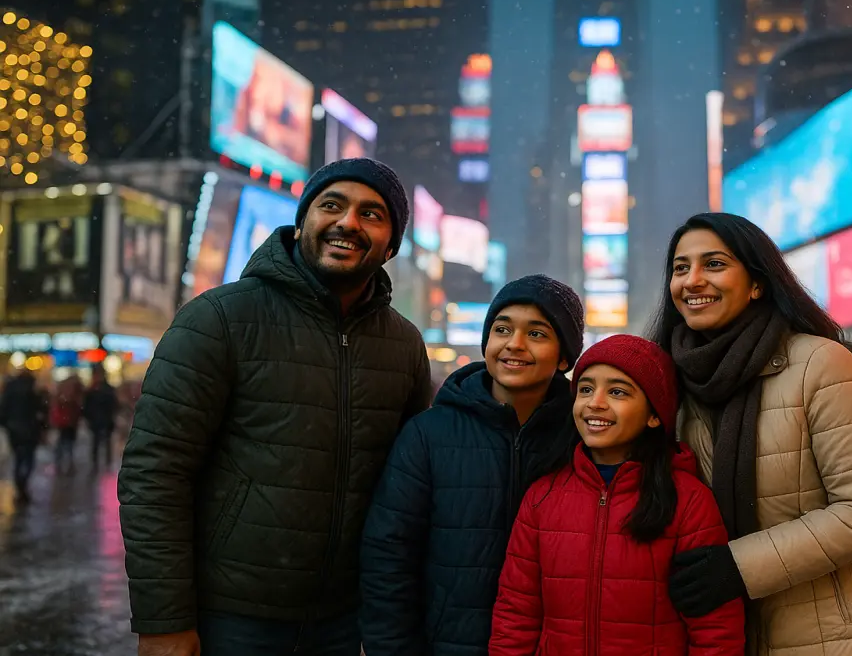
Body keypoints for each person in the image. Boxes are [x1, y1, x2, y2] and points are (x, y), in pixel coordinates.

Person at [118, 158, 432, 656]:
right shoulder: (219, 318)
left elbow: (411, 485)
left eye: (372, 214)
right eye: (332, 205)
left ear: (391, 246)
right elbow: (155, 474)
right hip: (233, 618)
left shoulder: (404, 344)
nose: (348, 222)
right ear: (302, 222)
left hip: (346, 621)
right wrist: (164, 621)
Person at [650, 213, 852, 656]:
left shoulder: (821, 364)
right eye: (681, 268)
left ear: (757, 283)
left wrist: (738, 567)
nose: (692, 280)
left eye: (714, 264)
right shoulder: (671, 381)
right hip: (724, 635)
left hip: (841, 637)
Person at [360, 275, 585, 656]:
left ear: (564, 357)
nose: (514, 344)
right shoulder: (429, 435)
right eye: (502, 329)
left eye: (536, 334)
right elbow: (388, 558)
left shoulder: (582, 439)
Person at [490, 335, 745, 656]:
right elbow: (515, 613)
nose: (595, 403)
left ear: (655, 415)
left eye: (617, 392)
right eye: (585, 389)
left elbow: (716, 631)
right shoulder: (542, 495)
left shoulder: (689, 501)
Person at [0, 368, 48, 506]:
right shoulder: (34, 390)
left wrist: (6, 424)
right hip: (30, 429)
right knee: (28, 458)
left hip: (14, 429)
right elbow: (41, 410)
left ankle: (20, 484)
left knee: (18, 458)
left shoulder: (10, 389)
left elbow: (4, 409)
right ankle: (23, 483)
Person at [83, 366, 120, 472]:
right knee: (96, 443)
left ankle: (107, 463)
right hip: (97, 420)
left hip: (105, 420)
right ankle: (96, 464)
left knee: (105, 443)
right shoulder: (92, 390)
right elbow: (86, 406)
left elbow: (114, 404)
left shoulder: (105, 389)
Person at [50, 374, 85, 475]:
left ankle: (61, 463)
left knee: (63, 442)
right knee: (68, 443)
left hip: (65, 421)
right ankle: (67, 464)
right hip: (70, 422)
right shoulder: (74, 395)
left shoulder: (63, 393)